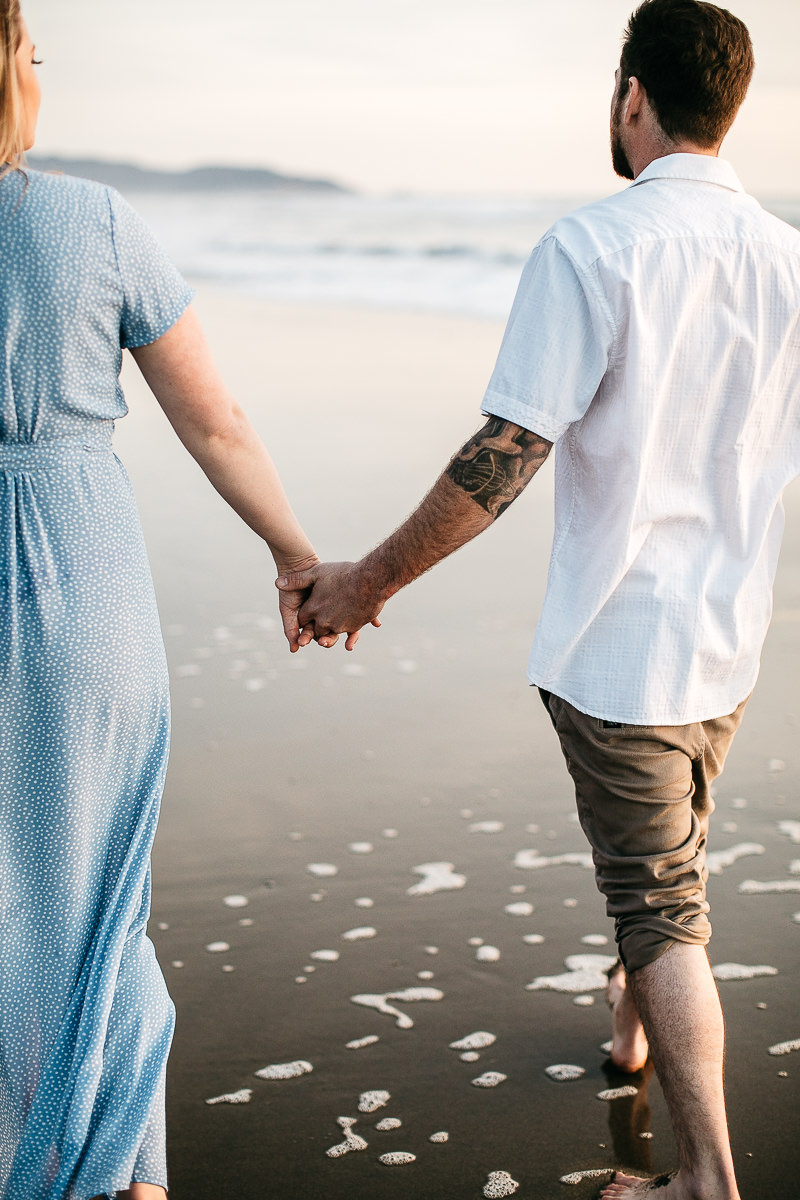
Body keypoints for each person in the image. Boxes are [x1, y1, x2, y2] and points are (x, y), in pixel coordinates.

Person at [278, 2, 800, 1197]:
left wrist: (362, 582)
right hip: (726, 637)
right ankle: (629, 1021)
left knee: (659, 899)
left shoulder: (592, 247)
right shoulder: (778, 259)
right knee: (666, 855)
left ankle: (702, 1178)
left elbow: (507, 454)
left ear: (631, 97)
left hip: (621, 647)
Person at [0, 6, 316, 1198]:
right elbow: (216, 423)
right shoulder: (96, 222)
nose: (41, 70)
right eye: (30, 51)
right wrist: (297, 556)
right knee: (99, 894)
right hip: (82, 585)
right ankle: (133, 1178)